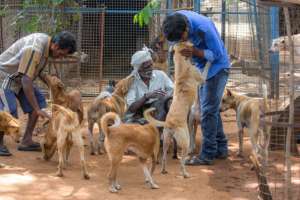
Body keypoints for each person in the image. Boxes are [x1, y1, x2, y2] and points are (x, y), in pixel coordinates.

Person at [162, 10, 230, 165]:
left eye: (181, 38)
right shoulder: (174, 21)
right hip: (201, 69)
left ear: (186, 29)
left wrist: (195, 51)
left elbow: (217, 55)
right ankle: (221, 148)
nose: (180, 42)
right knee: (210, 110)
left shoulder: (203, 28)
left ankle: (207, 155)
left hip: (216, 69)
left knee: (207, 112)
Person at [0, 31, 76, 156]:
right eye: (62, 54)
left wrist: (50, 82)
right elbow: (26, 79)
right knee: (9, 111)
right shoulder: (35, 48)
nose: (61, 57)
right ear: (56, 46)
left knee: (40, 103)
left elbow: (36, 71)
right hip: (5, 76)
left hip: (19, 77)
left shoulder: (47, 47)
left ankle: (26, 141)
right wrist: (36, 108)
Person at [124, 46, 174, 125]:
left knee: (164, 101)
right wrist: (146, 97)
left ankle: (158, 130)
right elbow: (131, 108)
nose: (151, 68)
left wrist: (164, 97)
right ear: (138, 69)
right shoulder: (131, 81)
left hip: (158, 113)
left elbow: (173, 91)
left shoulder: (161, 75)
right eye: (147, 67)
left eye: (151, 65)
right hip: (138, 115)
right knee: (131, 128)